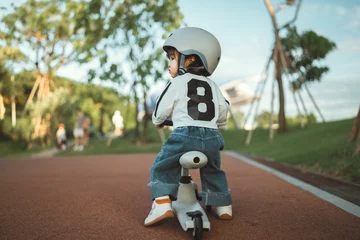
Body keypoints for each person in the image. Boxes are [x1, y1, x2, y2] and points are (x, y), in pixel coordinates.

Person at [144, 27, 232, 227]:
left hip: (185, 135)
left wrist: (158, 120)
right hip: (212, 138)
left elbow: (161, 109)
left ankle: (161, 204)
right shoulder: (213, 85)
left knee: (163, 164)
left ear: (190, 59)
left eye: (172, 58)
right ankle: (222, 204)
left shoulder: (177, 82)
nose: (169, 64)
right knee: (213, 169)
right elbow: (223, 110)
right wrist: (219, 124)